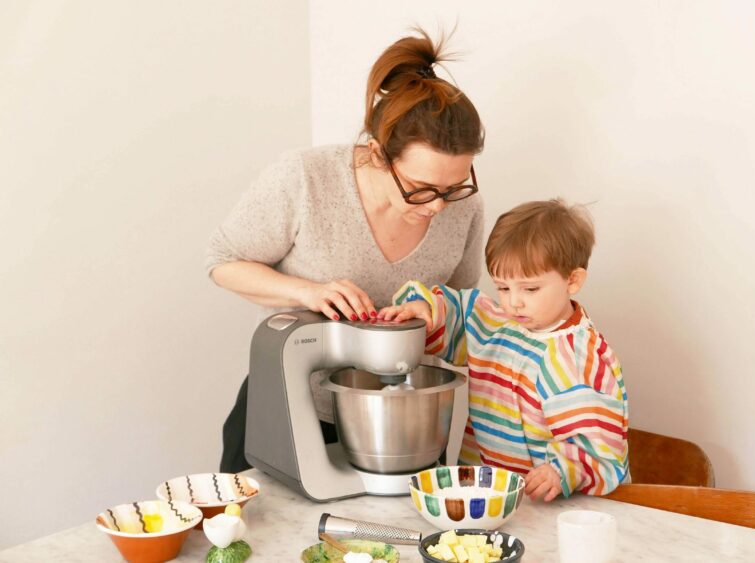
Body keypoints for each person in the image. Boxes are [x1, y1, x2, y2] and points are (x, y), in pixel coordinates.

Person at [206, 29, 486, 473]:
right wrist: (307, 293)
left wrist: (437, 309)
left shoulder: (463, 205)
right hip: (287, 410)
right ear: (376, 154)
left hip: (400, 424)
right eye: (420, 189)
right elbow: (223, 263)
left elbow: (463, 301)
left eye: (453, 187)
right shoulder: (304, 178)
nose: (437, 206)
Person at [379, 199, 629, 501]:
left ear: (572, 280)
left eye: (530, 289)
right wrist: (426, 310)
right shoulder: (496, 323)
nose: (514, 302)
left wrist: (562, 472)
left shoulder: (579, 361)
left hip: (553, 506)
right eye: (503, 287)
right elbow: (458, 313)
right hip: (487, 497)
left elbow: (600, 447)